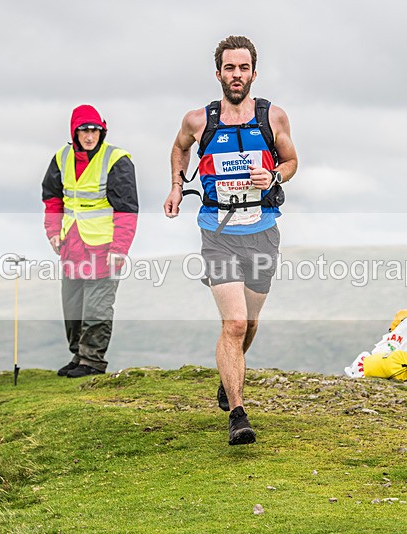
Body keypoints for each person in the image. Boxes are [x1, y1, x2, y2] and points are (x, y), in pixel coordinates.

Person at [164, 36, 298, 445]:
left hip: (261, 231)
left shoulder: (272, 117)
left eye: (243, 68)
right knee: (235, 322)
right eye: (229, 68)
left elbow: (292, 161)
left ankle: (229, 374)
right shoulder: (198, 120)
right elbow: (179, 148)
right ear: (218, 73)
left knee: (250, 322)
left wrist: (274, 175)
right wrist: (175, 186)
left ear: (253, 73)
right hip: (217, 233)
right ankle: (237, 414)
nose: (236, 75)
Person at [42, 104, 138, 378]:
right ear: (74, 131)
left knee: (97, 308)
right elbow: (52, 197)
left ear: (102, 130)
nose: (90, 135)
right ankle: (78, 355)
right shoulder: (61, 158)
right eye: (84, 130)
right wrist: (52, 231)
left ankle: (92, 361)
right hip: (71, 243)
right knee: (72, 308)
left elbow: (127, 210)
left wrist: (120, 249)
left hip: (105, 247)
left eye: (95, 130)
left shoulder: (116, 160)